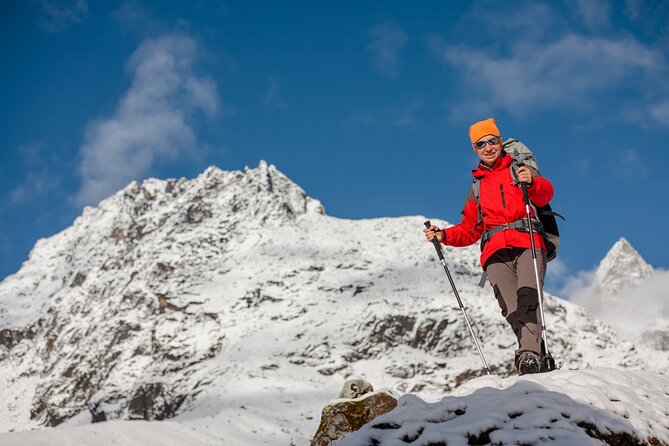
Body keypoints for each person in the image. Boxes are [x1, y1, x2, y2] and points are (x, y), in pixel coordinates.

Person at [423, 118, 554, 375]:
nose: (488, 147)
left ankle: (527, 355)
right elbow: (470, 229)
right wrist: (443, 235)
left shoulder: (520, 170)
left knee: (528, 298)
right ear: (475, 149)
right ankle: (535, 355)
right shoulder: (477, 187)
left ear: (499, 140)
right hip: (494, 253)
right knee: (512, 309)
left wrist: (533, 183)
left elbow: (545, 195)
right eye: (480, 144)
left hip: (527, 241)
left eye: (492, 141)